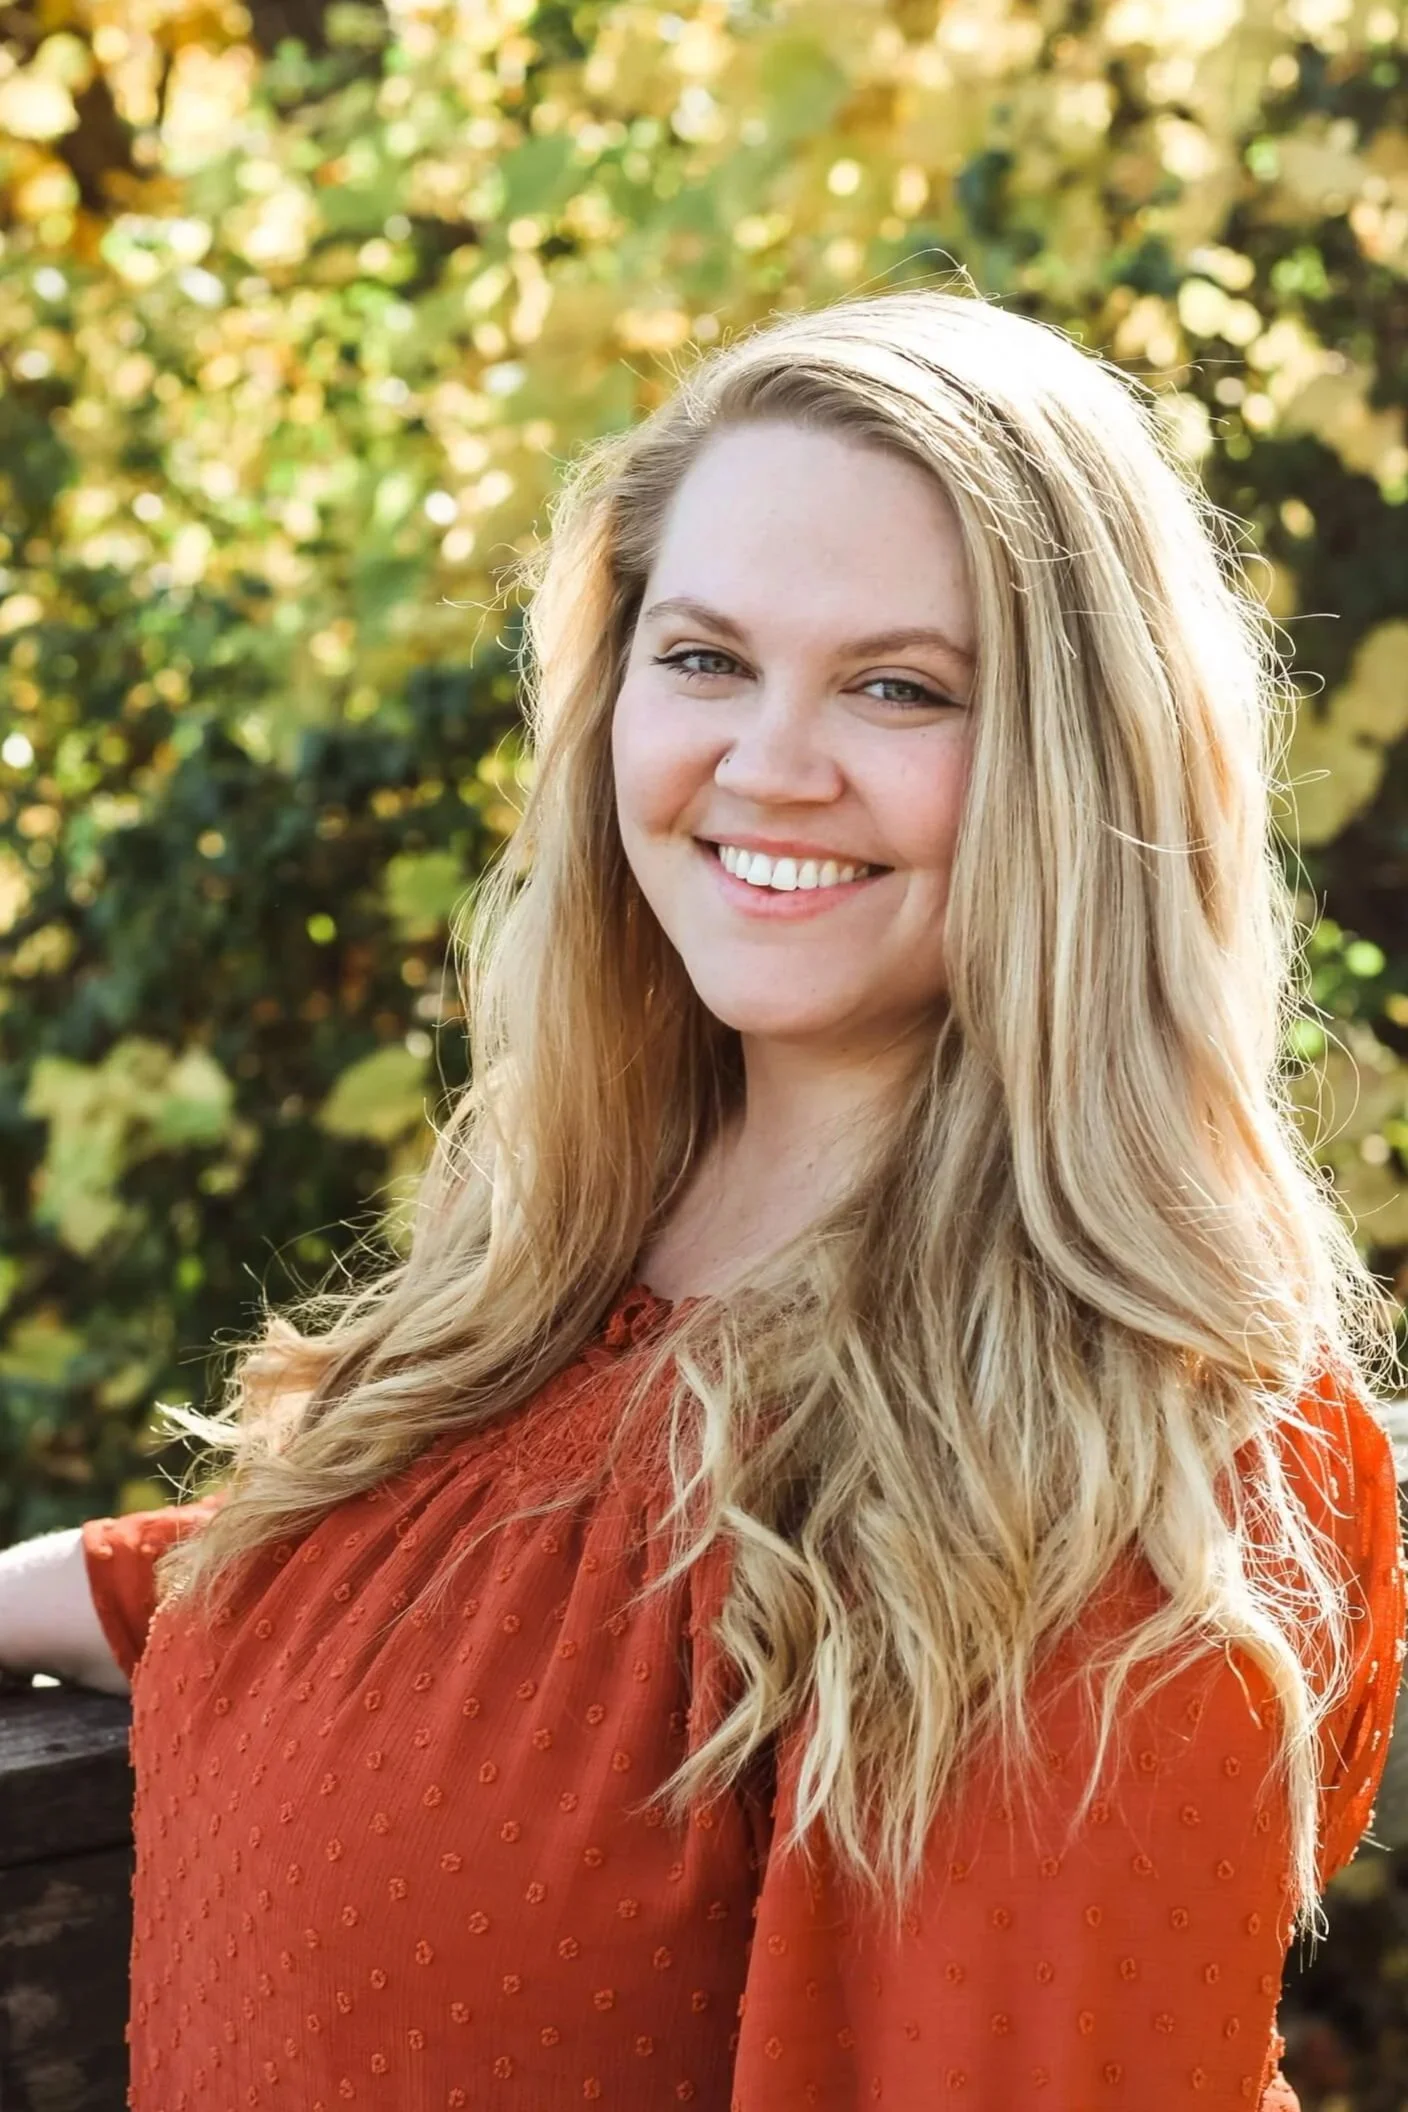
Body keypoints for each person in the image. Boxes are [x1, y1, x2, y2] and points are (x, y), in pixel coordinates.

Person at [2, 285, 1404, 2112]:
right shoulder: (565, 1269)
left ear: (1086, 769)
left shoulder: (1117, 1458)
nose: (770, 764)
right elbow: (505, 1624)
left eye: (901, 686)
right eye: (704, 660)